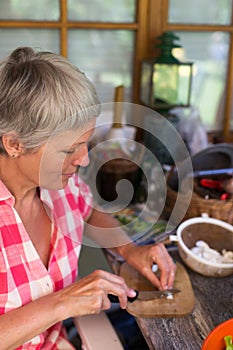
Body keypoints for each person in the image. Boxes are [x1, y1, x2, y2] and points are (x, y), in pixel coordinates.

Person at [0, 46, 176, 350]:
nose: (84, 160)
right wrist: (62, 303)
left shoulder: (60, 185)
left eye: (87, 143)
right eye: (69, 150)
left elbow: (90, 212)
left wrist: (129, 249)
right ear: (15, 144)